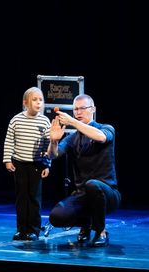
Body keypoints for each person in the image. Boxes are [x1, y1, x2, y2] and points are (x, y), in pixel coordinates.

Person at [47, 94, 120, 247]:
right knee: (56, 217)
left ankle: (100, 231)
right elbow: (53, 155)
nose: (78, 112)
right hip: (82, 195)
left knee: (93, 185)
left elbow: (101, 137)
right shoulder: (72, 138)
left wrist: (72, 121)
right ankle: (85, 224)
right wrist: (53, 141)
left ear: (93, 109)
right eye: (75, 109)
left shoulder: (106, 128)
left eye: (82, 108)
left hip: (108, 193)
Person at [3, 87, 51, 241]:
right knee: (22, 197)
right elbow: (9, 140)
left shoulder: (44, 121)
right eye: (34, 99)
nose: (38, 103)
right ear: (25, 103)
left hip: (36, 164)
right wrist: (7, 160)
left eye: (40, 100)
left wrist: (47, 164)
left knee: (34, 198)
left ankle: (33, 230)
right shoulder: (16, 120)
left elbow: (48, 145)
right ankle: (21, 229)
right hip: (20, 164)